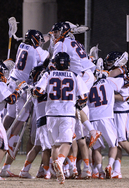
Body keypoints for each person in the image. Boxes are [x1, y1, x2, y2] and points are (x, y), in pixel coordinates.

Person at [49, 22, 101, 179]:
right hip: (85, 74)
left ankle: (92, 131)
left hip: (81, 77)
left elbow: (56, 63)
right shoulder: (73, 41)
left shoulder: (62, 44)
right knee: (72, 108)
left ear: (64, 32)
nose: (54, 34)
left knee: (72, 104)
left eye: (57, 32)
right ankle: (77, 165)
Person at [32, 52, 89, 184]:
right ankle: (60, 161)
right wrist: (79, 103)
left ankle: (57, 172)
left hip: (51, 113)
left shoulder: (48, 74)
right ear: (68, 63)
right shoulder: (75, 76)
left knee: (54, 145)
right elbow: (83, 97)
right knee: (67, 143)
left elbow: (38, 92)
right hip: (67, 113)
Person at [0, 29, 50, 177]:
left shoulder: (22, 45)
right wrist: (55, 41)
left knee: (9, 118)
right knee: (19, 123)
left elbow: (40, 42)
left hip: (12, 83)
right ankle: (5, 156)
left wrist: (50, 34)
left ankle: (0, 138)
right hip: (22, 87)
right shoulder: (39, 52)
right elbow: (48, 57)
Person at [87, 56, 129, 179]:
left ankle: (99, 172)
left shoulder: (88, 83)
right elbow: (127, 81)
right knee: (114, 144)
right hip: (106, 117)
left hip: (91, 118)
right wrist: (127, 74)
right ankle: (109, 165)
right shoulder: (108, 81)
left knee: (96, 148)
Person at [102, 51, 129, 179]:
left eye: (110, 62)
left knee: (122, 140)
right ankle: (117, 170)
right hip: (113, 111)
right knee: (115, 142)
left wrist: (109, 96)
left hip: (122, 112)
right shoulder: (117, 74)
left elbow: (123, 97)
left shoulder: (121, 78)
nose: (107, 64)